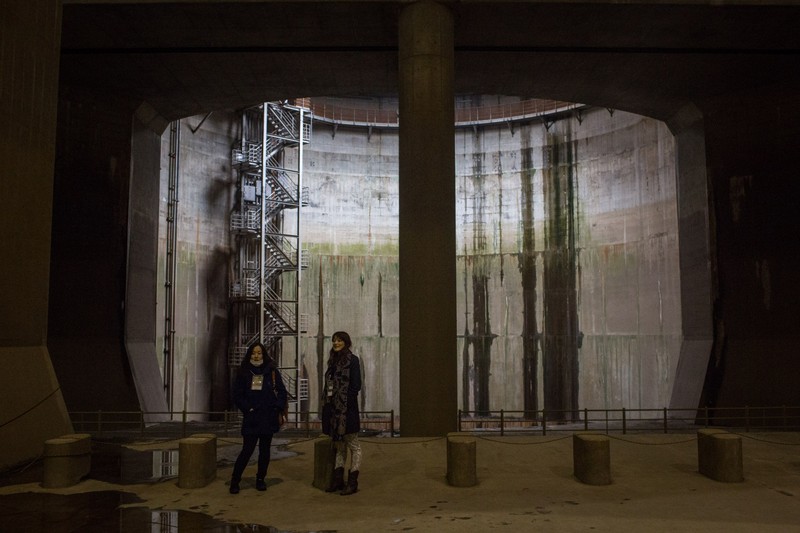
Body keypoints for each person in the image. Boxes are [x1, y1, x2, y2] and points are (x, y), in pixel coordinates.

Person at [229, 342, 288, 494]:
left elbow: (282, 391)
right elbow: (237, 394)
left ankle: (260, 479)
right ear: (250, 354)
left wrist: (277, 407)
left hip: (268, 417)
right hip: (252, 417)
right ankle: (235, 480)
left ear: (263, 354)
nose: (256, 355)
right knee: (247, 450)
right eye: (254, 353)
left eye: (259, 353)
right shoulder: (244, 372)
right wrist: (247, 408)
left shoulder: (271, 370)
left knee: (265, 451)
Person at [322, 331, 363, 495]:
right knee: (339, 446)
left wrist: (345, 403)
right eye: (334, 340)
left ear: (346, 342)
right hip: (334, 410)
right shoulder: (332, 361)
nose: (336, 343)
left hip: (347, 411)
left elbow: (356, 385)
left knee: (354, 445)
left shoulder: (352, 360)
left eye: (339, 340)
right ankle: (338, 480)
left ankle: (353, 482)